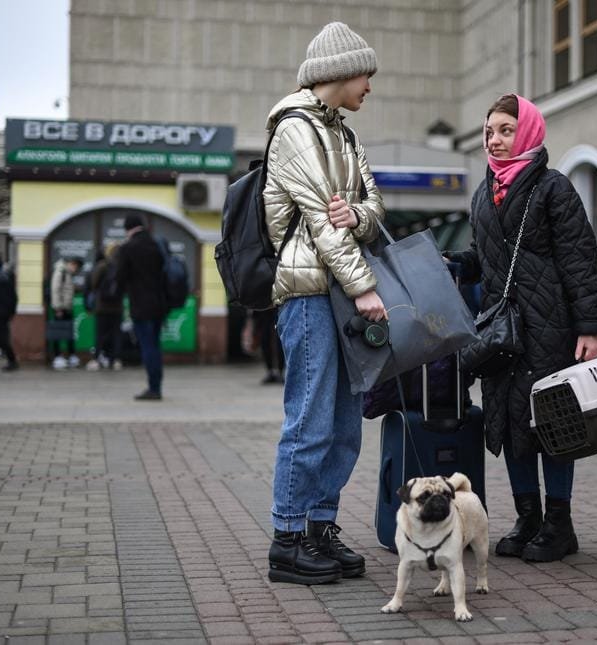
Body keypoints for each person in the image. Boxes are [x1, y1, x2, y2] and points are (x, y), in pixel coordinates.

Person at [447, 94, 597, 563]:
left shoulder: (554, 188)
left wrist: (590, 327)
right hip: (502, 332)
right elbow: (486, 259)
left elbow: (579, 260)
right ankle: (528, 517)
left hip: (549, 327)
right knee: (511, 422)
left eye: (505, 130)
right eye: (489, 131)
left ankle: (560, 524)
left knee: (553, 422)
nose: (494, 140)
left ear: (530, 132)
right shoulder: (483, 192)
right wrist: (456, 263)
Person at [263, 21, 386, 585]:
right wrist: (364, 287)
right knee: (310, 419)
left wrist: (358, 214)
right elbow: (320, 219)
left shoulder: (347, 134)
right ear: (339, 72)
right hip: (311, 293)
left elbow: (373, 207)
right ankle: (287, 539)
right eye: (366, 73)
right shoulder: (294, 129)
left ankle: (319, 528)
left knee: (343, 424)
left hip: (337, 289)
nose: (370, 86)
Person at [115, 214, 167, 400]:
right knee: (155, 345)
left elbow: (120, 277)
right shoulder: (156, 245)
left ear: (128, 229)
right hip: (159, 304)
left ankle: (154, 389)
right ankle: (156, 385)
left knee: (147, 347)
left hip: (140, 305)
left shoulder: (128, 248)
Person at [87, 242, 124, 371]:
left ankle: (97, 360)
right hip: (118, 306)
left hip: (102, 306)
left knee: (100, 334)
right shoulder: (122, 267)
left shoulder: (102, 265)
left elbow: (93, 283)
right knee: (116, 334)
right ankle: (115, 361)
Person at [49, 256, 82, 370]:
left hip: (67, 308)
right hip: (60, 309)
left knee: (69, 333)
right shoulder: (61, 272)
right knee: (58, 333)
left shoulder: (67, 273)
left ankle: (71, 356)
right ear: (72, 264)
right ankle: (58, 357)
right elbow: (55, 290)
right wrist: (58, 308)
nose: (76, 271)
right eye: (76, 268)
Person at [253, 308, 284, 384]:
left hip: (275, 304)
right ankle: (271, 370)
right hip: (265, 306)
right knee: (265, 337)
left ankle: (278, 371)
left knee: (279, 338)